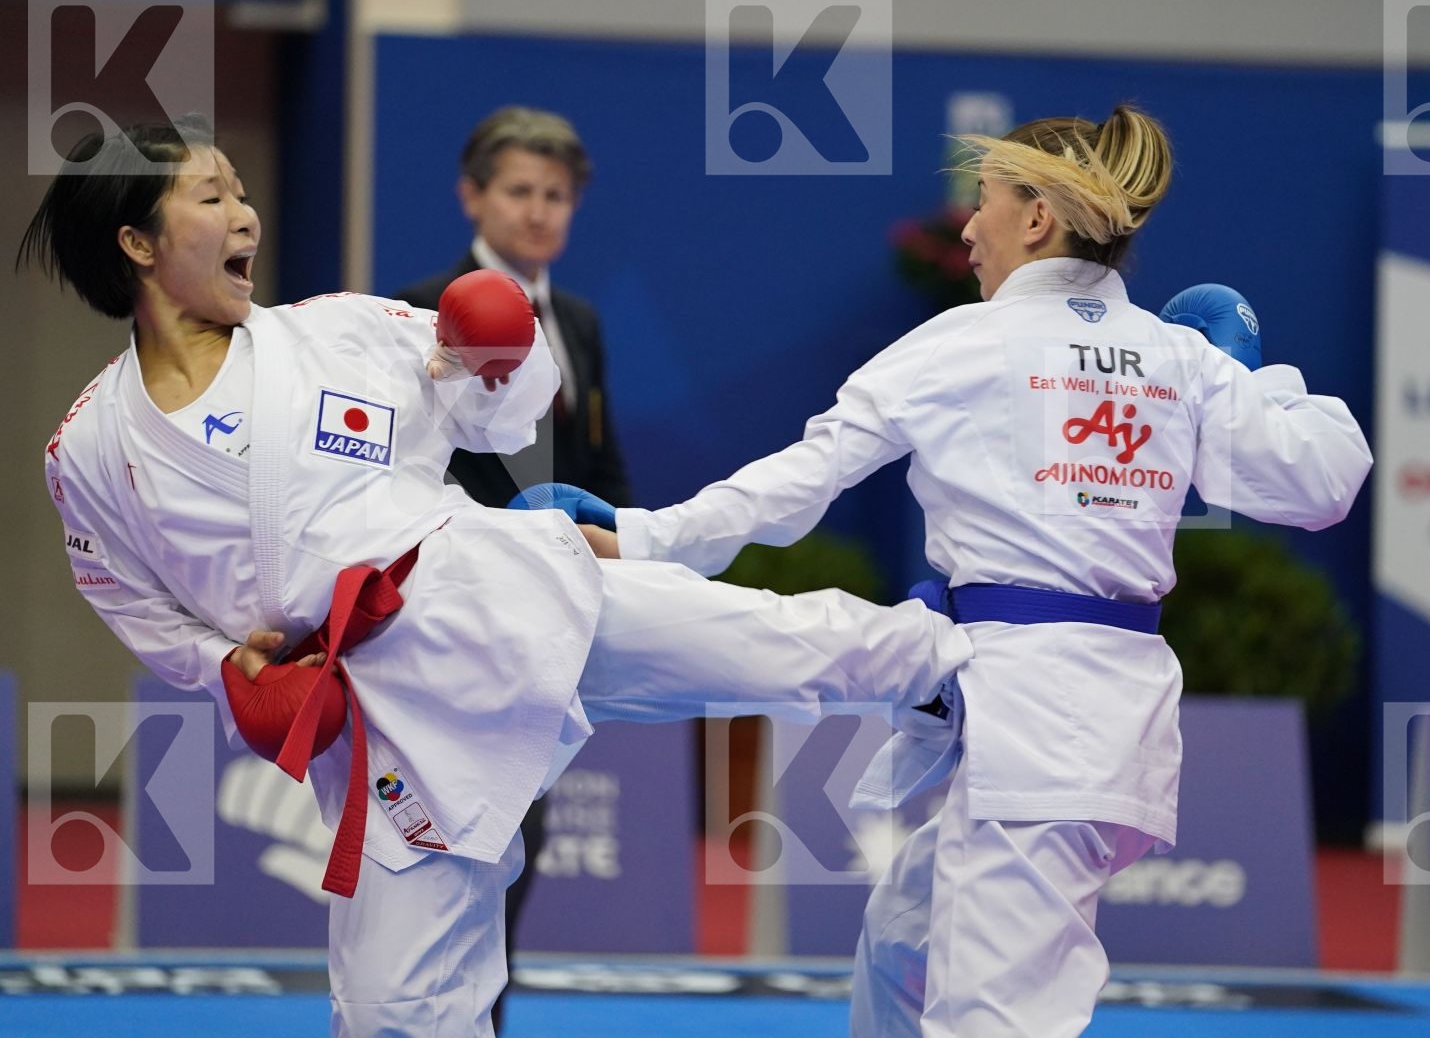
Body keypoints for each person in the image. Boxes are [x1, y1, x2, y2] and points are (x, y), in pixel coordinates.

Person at [21, 117, 971, 1038]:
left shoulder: (339, 332)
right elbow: (128, 600)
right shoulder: (91, 449)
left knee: (762, 641)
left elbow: (501, 415)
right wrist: (224, 661)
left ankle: (961, 660)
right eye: (211, 194)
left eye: (241, 189)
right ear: (137, 242)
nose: (246, 215)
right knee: (393, 1005)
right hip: (382, 712)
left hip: (485, 589)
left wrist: (494, 351)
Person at [586, 106, 1372, 1036]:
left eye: (985, 201)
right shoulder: (1180, 357)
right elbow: (1325, 479)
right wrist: (1251, 375)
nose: (966, 226)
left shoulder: (966, 342)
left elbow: (796, 481)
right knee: (903, 947)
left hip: (1039, 734)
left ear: (1036, 217)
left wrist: (644, 540)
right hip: (1087, 716)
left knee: (994, 1021)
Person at [394, 105, 630, 1034]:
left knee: (524, 821)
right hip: (455, 604)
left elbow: (600, 470)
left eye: (557, 196)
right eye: (520, 191)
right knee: (463, 821)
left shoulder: (579, 321)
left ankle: (487, 1007)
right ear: (472, 195)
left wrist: (627, 552)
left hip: (562, 605)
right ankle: (443, 1006)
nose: (539, 212)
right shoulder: (413, 313)